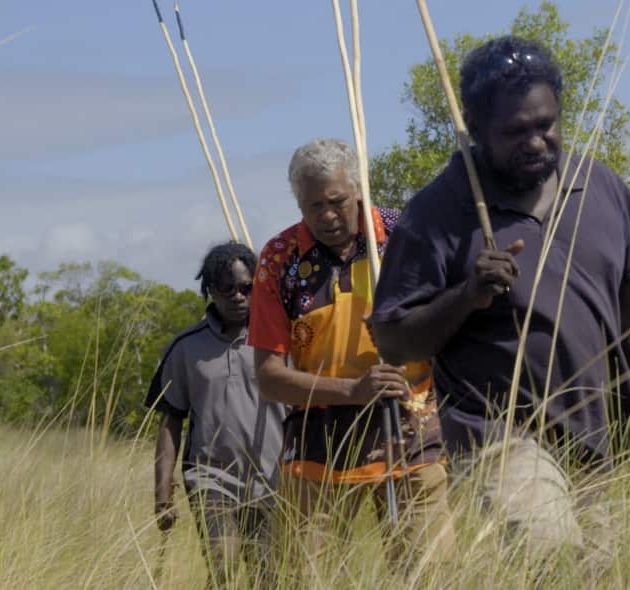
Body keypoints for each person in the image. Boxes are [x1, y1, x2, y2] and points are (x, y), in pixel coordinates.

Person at [369, 36, 630, 558]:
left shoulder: (600, 187)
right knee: (549, 552)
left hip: (597, 436)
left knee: (607, 570)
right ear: (475, 127)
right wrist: (467, 295)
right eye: (515, 131)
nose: (536, 141)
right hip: (499, 436)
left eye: (546, 125)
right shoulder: (437, 212)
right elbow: (392, 340)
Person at [247, 138, 455, 572]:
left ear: (358, 190)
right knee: (306, 576)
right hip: (318, 444)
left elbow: (450, 324)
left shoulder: (405, 236)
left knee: (430, 574)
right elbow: (268, 378)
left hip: (410, 432)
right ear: (298, 204)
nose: (327, 216)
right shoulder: (279, 259)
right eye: (313, 206)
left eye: (337, 202)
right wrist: (353, 390)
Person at [147, 242, 285, 588]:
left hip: (272, 478)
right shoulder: (185, 347)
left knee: (267, 575)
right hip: (211, 478)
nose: (238, 296)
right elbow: (170, 422)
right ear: (210, 289)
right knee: (223, 563)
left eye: (246, 288)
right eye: (227, 288)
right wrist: (163, 493)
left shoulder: (280, 339)